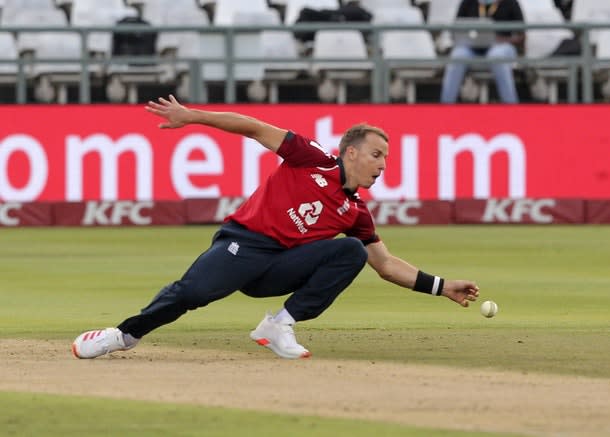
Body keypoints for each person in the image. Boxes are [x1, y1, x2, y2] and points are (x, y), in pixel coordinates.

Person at [71, 95, 480, 360]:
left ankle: (279, 324)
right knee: (191, 293)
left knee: (351, 252)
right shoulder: (313, 157)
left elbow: (386, 265)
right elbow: (254, 127)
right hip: (244, 245)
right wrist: (192, 116)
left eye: (386, 158)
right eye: (376, 155)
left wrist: (443, 286)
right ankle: (122, 335)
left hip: (279, 268)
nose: (382, 165)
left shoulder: (355, 211)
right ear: (350, 152)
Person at [440, 0, 525, 104]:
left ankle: (511, 108)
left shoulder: (511, 2)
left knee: (496, 55)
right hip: (472, 48)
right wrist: (466, 39)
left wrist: (500, 40)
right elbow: (456, 30)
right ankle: (445, 107)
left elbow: (521, 35)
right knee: (457, 55)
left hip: (501, 47)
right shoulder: (467, 2)